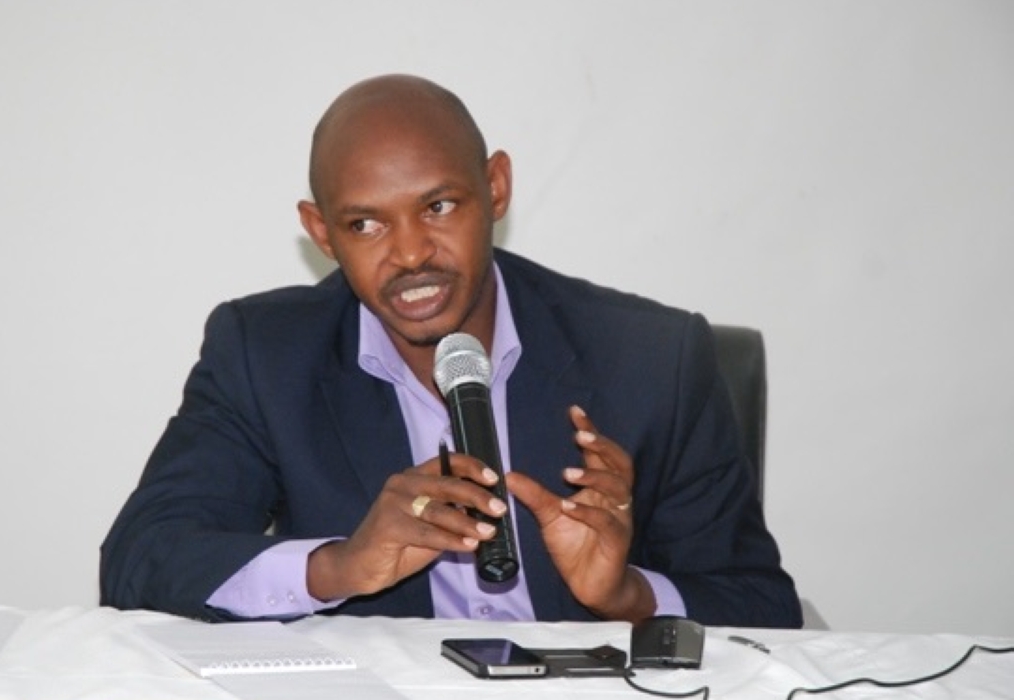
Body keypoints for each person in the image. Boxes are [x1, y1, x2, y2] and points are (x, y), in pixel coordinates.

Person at [99, 74, 803, 628]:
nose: (410, 255)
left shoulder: (655, 357)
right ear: (322, 233)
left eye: (439, 207)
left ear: (495, 188)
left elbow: (763, 608)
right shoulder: (263, 354)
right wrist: (340, 566)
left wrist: (626, 595)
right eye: (366, 223)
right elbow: (140, 561)